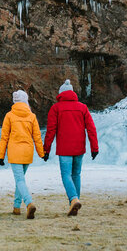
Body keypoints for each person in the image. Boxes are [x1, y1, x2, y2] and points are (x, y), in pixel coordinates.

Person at [43, 79, 99, 216]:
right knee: (76, 175)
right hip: (79, 147)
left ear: (61, 94)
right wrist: (94, 147)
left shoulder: (56, 108)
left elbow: (51, 130)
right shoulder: (82, 107)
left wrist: (46, 149)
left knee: (66, 175)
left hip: (64, 148)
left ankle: (73, 200)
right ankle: (74, 204)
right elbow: (91, 128)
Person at [0, 89, 46, 219]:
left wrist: (1, 156)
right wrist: (42, 153)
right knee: (21, 181)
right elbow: (37, 137)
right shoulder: (32, 116)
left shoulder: (9, 115)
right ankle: (16, 207)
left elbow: (4, 137)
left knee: (19, 180)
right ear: (26, 101)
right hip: (27, 152)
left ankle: (29, 203)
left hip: (15, 152)